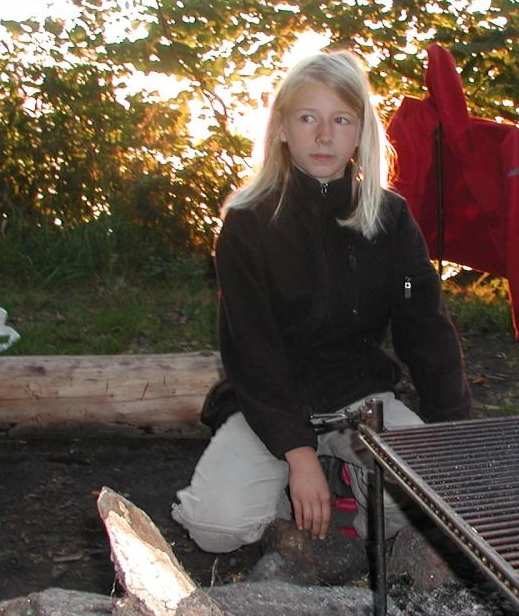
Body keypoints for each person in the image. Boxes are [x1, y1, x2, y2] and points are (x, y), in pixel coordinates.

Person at [173, 50, 472, 552]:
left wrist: (455, 435)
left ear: (361, 132)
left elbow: (425, 329)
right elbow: (253, 348)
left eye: (341, 120)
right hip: (269, 404)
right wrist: (297, 453)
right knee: (216, 528)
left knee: (439, 501)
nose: (324, 136)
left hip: (362, 401)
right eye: (308, 118)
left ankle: (354, 487)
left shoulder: (390, 220)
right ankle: (294, 494)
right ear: (283, 127)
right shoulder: (248, 223)